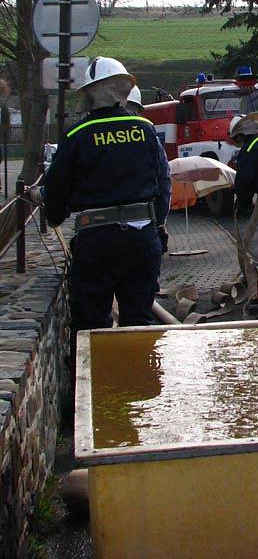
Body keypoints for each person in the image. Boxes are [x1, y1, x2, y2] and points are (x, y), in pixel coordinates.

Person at [41, 56, 171, 381]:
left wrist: (54, 215)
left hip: (96, 240)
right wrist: (157, 226)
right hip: (142, 240)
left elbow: (56, 188)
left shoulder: (78, 135)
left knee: (90, 323)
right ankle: (138, 389)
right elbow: (163, 184)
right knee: (139, 319)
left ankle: (93, 395)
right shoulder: (145, 130)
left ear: (89, 94)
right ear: (124, 91)